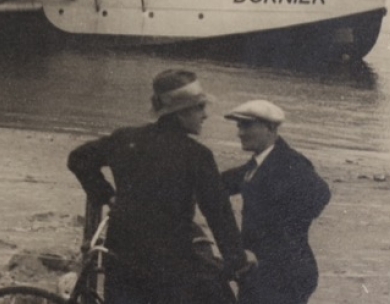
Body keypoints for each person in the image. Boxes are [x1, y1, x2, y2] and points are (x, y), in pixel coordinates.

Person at [68, 70, 248, 304]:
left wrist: (107, 196)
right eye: (200, 108)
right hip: (169, 266)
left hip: (121, 256)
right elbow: (218, 213)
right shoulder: (197, 155)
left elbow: (78, 159)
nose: (205, 115)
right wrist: (237, 261)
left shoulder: (125, 138)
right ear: (181, 112)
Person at [222, 100, 331, 304]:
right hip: (264, 269)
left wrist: (284, 233)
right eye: (239, 126)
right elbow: (222, 184)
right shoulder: (258, 163)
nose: (240, 133)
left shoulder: (290, 163)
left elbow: (321, 194)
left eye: (246, 125)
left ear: (270, 128)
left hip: (284, 271)